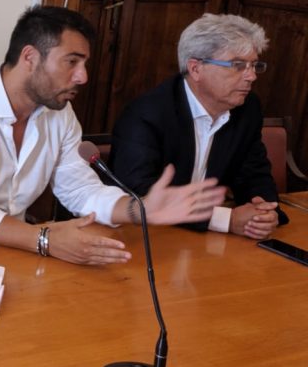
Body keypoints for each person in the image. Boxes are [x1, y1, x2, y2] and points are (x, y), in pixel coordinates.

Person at [0, 5, 224, 265]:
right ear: (30, 57)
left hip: (12, 242)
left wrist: (138, 209)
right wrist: (46, 239)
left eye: (84, 64)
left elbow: (79, 190)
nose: (82, 77)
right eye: (71, 62)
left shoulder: (59, 113)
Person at [110, 13, 286, 240]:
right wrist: (225, 219)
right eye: (238, 65)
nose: (251, 76)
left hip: (205, 239)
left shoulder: (247, 108)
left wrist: (263, 211)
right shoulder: (146, 113)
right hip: (148, 235)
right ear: (195, 69)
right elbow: (139, 191)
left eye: (254, 65)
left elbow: (254, 172)